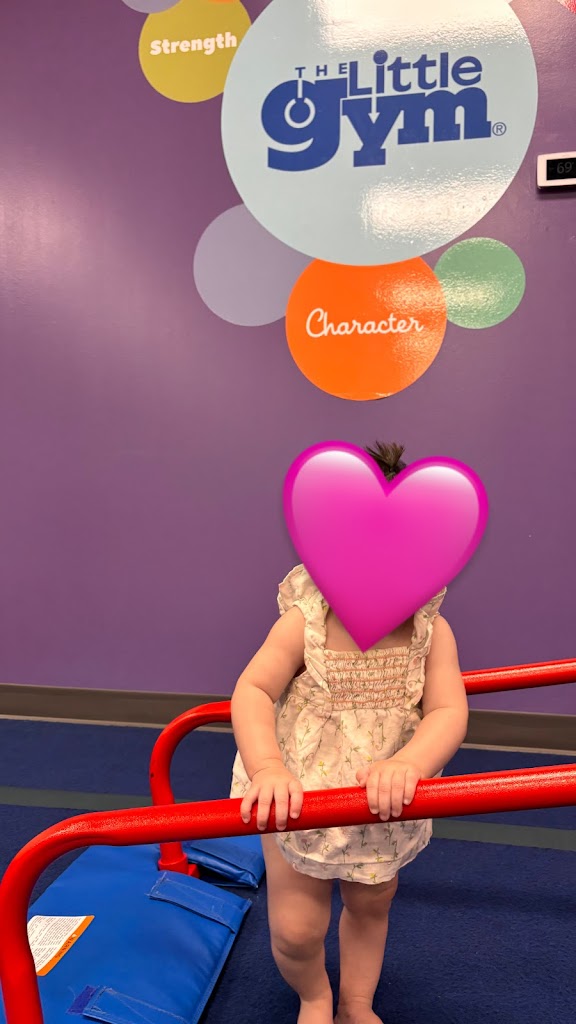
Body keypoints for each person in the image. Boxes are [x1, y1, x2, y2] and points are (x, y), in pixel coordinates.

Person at [230, 442, 469, 1024]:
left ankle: (356, 1001)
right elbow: (253, 689)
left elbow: (447, 710)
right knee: (297, 927)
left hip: (380, 802)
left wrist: (410, 763)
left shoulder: (431, 633)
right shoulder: (306, 622)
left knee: (371, 902)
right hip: (298, 794)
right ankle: (315, 995)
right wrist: (267, 767)